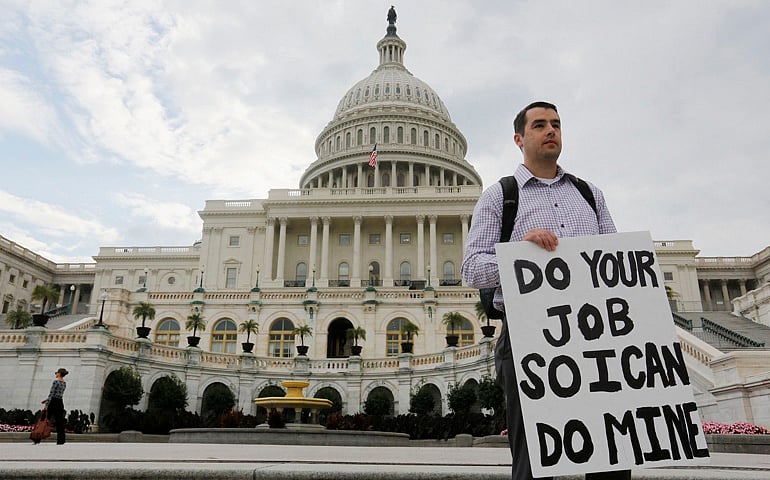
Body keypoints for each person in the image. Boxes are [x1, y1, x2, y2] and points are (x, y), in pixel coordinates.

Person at [461, 101, 628, 480]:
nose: (550, 130)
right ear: (520, 139)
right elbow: (472, 270)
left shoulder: (590, 195)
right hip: (527, 336)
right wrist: (520, 253)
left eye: (555, 124)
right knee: (535, 458)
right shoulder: (499, 196)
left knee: (612, 455)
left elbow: (614, 263)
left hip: (594, 335)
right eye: (539, 125)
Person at [42, 367, 68, 445]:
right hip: (60, 402)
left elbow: (52, 393)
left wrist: (47, 404)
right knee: (60, 421)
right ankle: (61, 440)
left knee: (44, 418)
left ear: (59, 373)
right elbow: (58, 394)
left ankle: (37, 436)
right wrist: (46, 400)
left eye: (56, 372)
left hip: (53, 402)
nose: (56, 374)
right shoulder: (64, 383)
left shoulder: (55, 382)